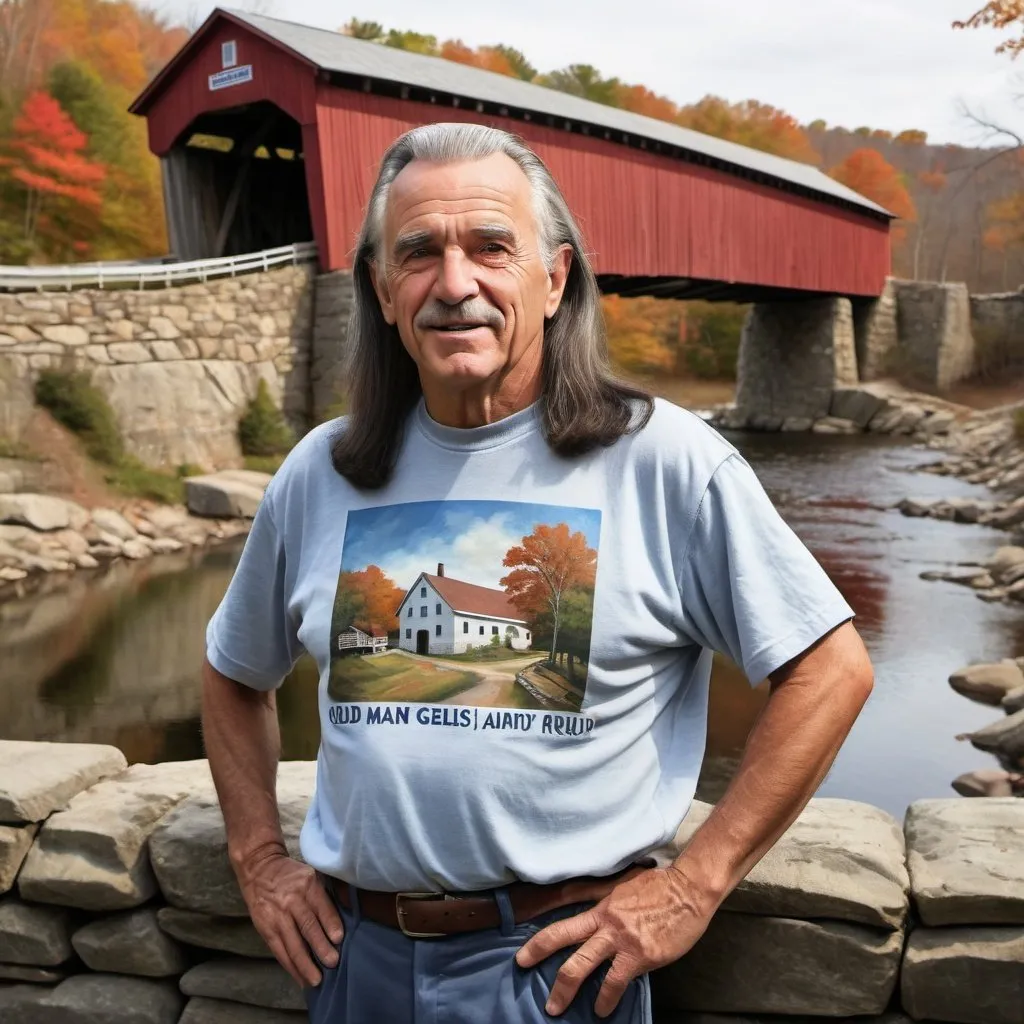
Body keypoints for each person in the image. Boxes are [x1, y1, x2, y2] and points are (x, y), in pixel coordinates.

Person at [201, 122, 874, 1024]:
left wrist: (695, 884)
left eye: (490, 248)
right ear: (380, 289)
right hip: (352, 965)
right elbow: (231, 673)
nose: (454, 285)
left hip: (550, 973)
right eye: (418, 255)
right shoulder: (320, 471)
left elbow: (830, 670)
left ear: (554, 279)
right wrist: (257, 858)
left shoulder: (665, 461)